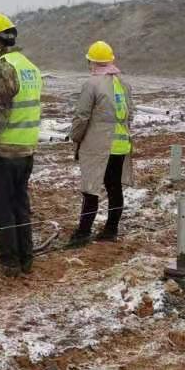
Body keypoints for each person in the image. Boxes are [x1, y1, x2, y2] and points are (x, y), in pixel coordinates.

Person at [0, 13, 41, 277]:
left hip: (6, 151)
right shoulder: (30, 67)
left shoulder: (3, 69)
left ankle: (9, 262)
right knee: (19, 205)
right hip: (26, 149)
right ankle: (26, 258)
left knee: (0, 208)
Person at [68, 40, 134, 247]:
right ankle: (111, 230)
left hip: (99, 145)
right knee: (114, 188)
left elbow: (82, 116)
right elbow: (130, 114)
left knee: (91, 189)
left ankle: (83, 233)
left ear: (92, 61)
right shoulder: (123, 84)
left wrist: (76, 137)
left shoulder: (92, 84)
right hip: (121, 144)